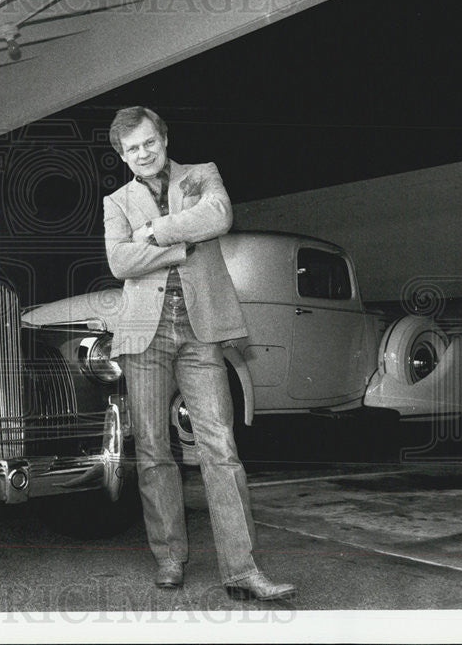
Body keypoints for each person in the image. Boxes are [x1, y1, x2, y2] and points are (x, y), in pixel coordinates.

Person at [102, 106, 296, 601]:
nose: (143, 153)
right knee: (152, 449)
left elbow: (219, 216)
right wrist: (181, 244)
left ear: (164, 138)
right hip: (143, 333)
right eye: (132, 149)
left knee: (221, 448)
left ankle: (242, 571)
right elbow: (120, 261)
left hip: (201, 328)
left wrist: (155, 232)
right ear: (121, 156)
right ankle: (169, 558)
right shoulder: (116, 201)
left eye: (149, 142)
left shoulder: (202, 174)